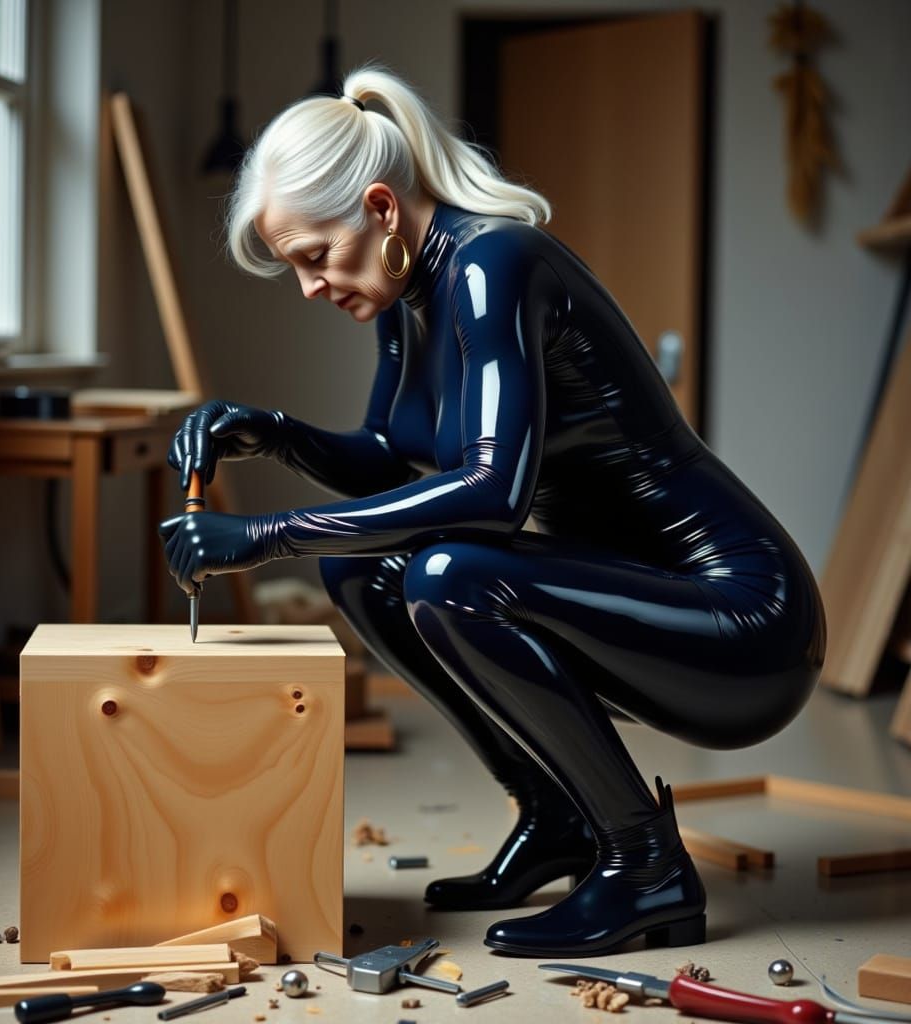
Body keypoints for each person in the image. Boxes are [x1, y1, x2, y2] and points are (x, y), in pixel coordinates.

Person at [160, 65, 826, 958]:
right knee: (359, 567)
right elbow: (391, 464)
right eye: (296, 271)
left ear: (382, 210)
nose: (312, 288)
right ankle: (556, 813)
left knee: (449, 573)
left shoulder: (493, 263)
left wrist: (267, 534)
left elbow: (490, 495)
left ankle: (645, 866)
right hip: (633, 599)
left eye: (315, 257)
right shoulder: (407, 297)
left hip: (745, 619)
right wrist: (270, 432)